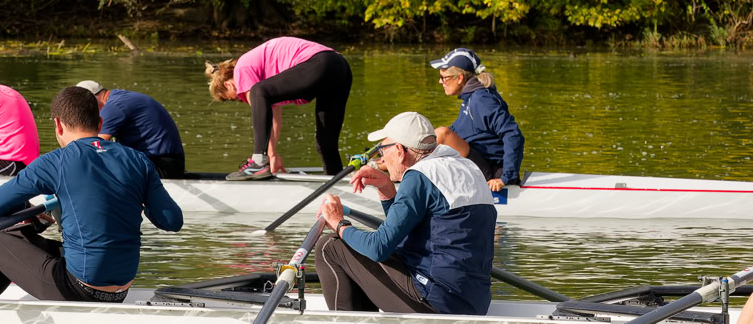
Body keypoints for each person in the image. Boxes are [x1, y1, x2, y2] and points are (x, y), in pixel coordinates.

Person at [0, 85, 183, 300]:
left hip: (80, 290)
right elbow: (172, 221)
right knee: (27, 240)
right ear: (100, 122)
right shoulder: (138, 160)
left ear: (58, 125)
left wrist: (31, 212)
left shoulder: (57, 161)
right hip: (121, 289)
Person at [315, 111, 497, 314]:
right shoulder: (467, 167)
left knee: (330, 246)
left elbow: (378, 248)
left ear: (399, 150)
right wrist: (387, 190)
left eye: (383, 149)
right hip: (475, 303)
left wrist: (338, 222)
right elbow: (409, 237)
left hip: (435, 303)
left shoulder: (419, 176)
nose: (382, 158)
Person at [205, 36, 352, 180]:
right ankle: (335, 183)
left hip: (320, 62)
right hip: (340, 67)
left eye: (231, 98)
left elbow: (259, 101)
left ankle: (258, 163)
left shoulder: (241, 69)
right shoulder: (261, 77)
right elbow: (272, 117)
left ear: (228, 85)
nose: (238, 99)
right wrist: (272, 153)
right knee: (325, 143)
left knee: (257, 91)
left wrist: (268, 155)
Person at [430, 48, 524, 191]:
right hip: (479, 163)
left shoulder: (482, 100)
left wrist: (506, 177)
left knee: (443, 134)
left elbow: (513, 134)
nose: (440, 81)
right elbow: (456, 130)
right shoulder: (469, 98)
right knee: (428, 136)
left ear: (459, 78)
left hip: (493, 173)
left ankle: (406, 177)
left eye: (444, 77)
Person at [74, 80, 185, 178]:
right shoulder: (120, 98)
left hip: (163, 166)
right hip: (167, 163)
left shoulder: (113, 106)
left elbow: (93, 145)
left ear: (93, 98)